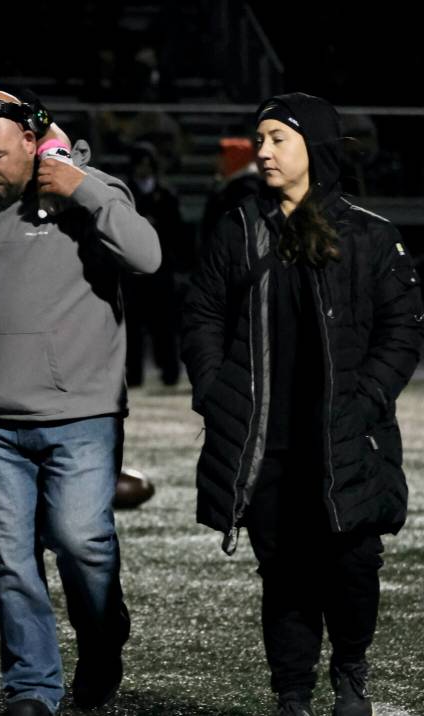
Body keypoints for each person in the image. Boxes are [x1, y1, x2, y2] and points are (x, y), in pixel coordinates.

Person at [181, 92, 423, 716]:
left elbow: (402, 329)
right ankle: (291, 693)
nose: (262, 152)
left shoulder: (371, 235)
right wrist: (214, 389)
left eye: (276, 140)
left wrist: (367, 397)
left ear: (311, 149)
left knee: (352, 563)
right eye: (258, 140)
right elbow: (202, 313)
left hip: (346, 435)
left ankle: (350, 672)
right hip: (265, 441)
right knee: (284, 575)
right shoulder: (238, 228)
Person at [0, 90, 161, 716]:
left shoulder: (89, 189)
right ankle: (31, 687)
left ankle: (101, 646)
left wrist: (80, 186)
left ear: (30, 142)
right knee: (10, 559)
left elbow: (147, 257)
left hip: (81, 415)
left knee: (80, 543)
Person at [121, 141, 188, 388]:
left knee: (164, 325)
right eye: (140, 164)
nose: (144, 169)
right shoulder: (123, 194)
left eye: (148, 164)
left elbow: (177, 232)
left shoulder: (167, 194)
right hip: (132, 271)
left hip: (161, 270)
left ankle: (169, 372)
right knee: (133, 327)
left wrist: (179, 266)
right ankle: (134, 374)